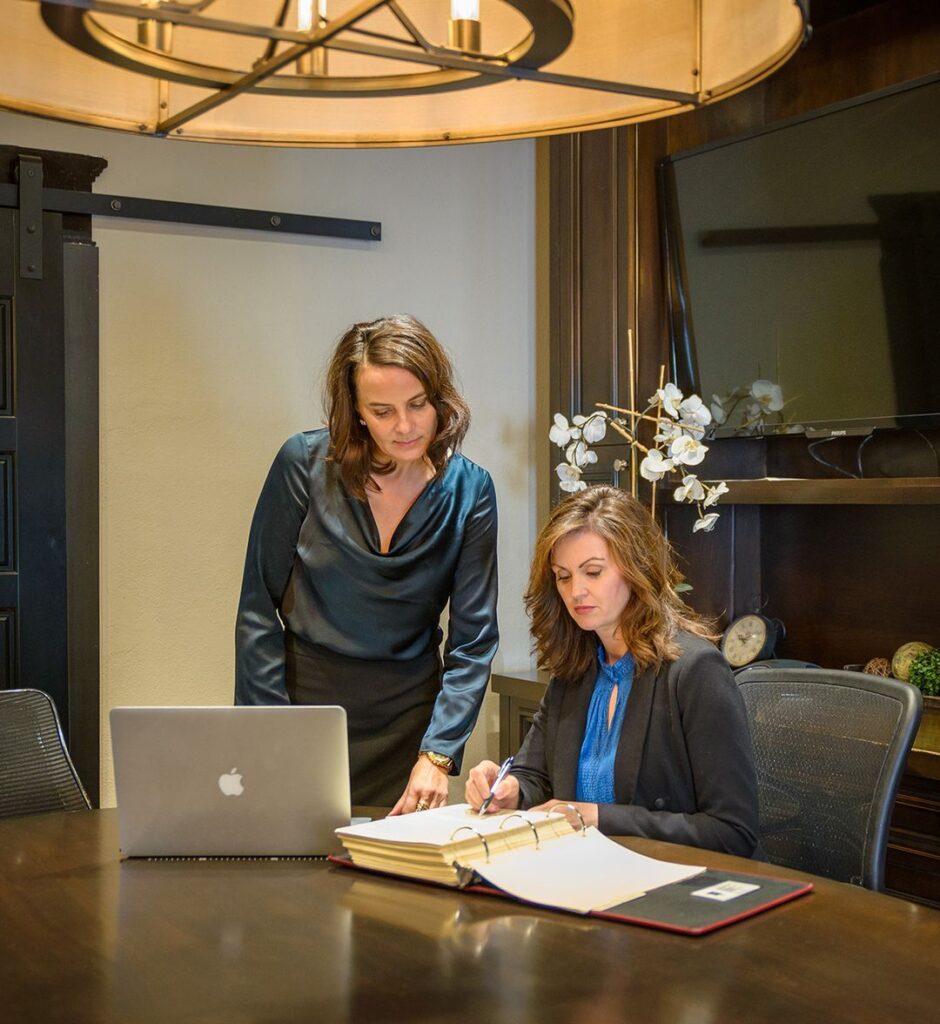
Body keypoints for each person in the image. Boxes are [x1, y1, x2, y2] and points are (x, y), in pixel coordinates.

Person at [236, 314, 498, 813]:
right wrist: (268, 731)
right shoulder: (303, 465)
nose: (404, 426)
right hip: (304, 713)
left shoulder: (471, 492)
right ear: (355, 411)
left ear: (439, 398)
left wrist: (438, 754)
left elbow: (474, 640)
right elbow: (257, 609)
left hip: (410, 728)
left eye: (418, 404)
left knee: (395, 885)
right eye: (382, 411)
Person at [465, 485, 760, 856]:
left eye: (593, 572)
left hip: (673, 886)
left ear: (636, 568)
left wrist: (599, 818)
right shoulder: (576, 669)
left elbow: (733, 832)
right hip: (585, 874)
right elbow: (534, 777)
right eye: (563, 576)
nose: (576, 592)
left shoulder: (696, 671)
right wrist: (511, 790)